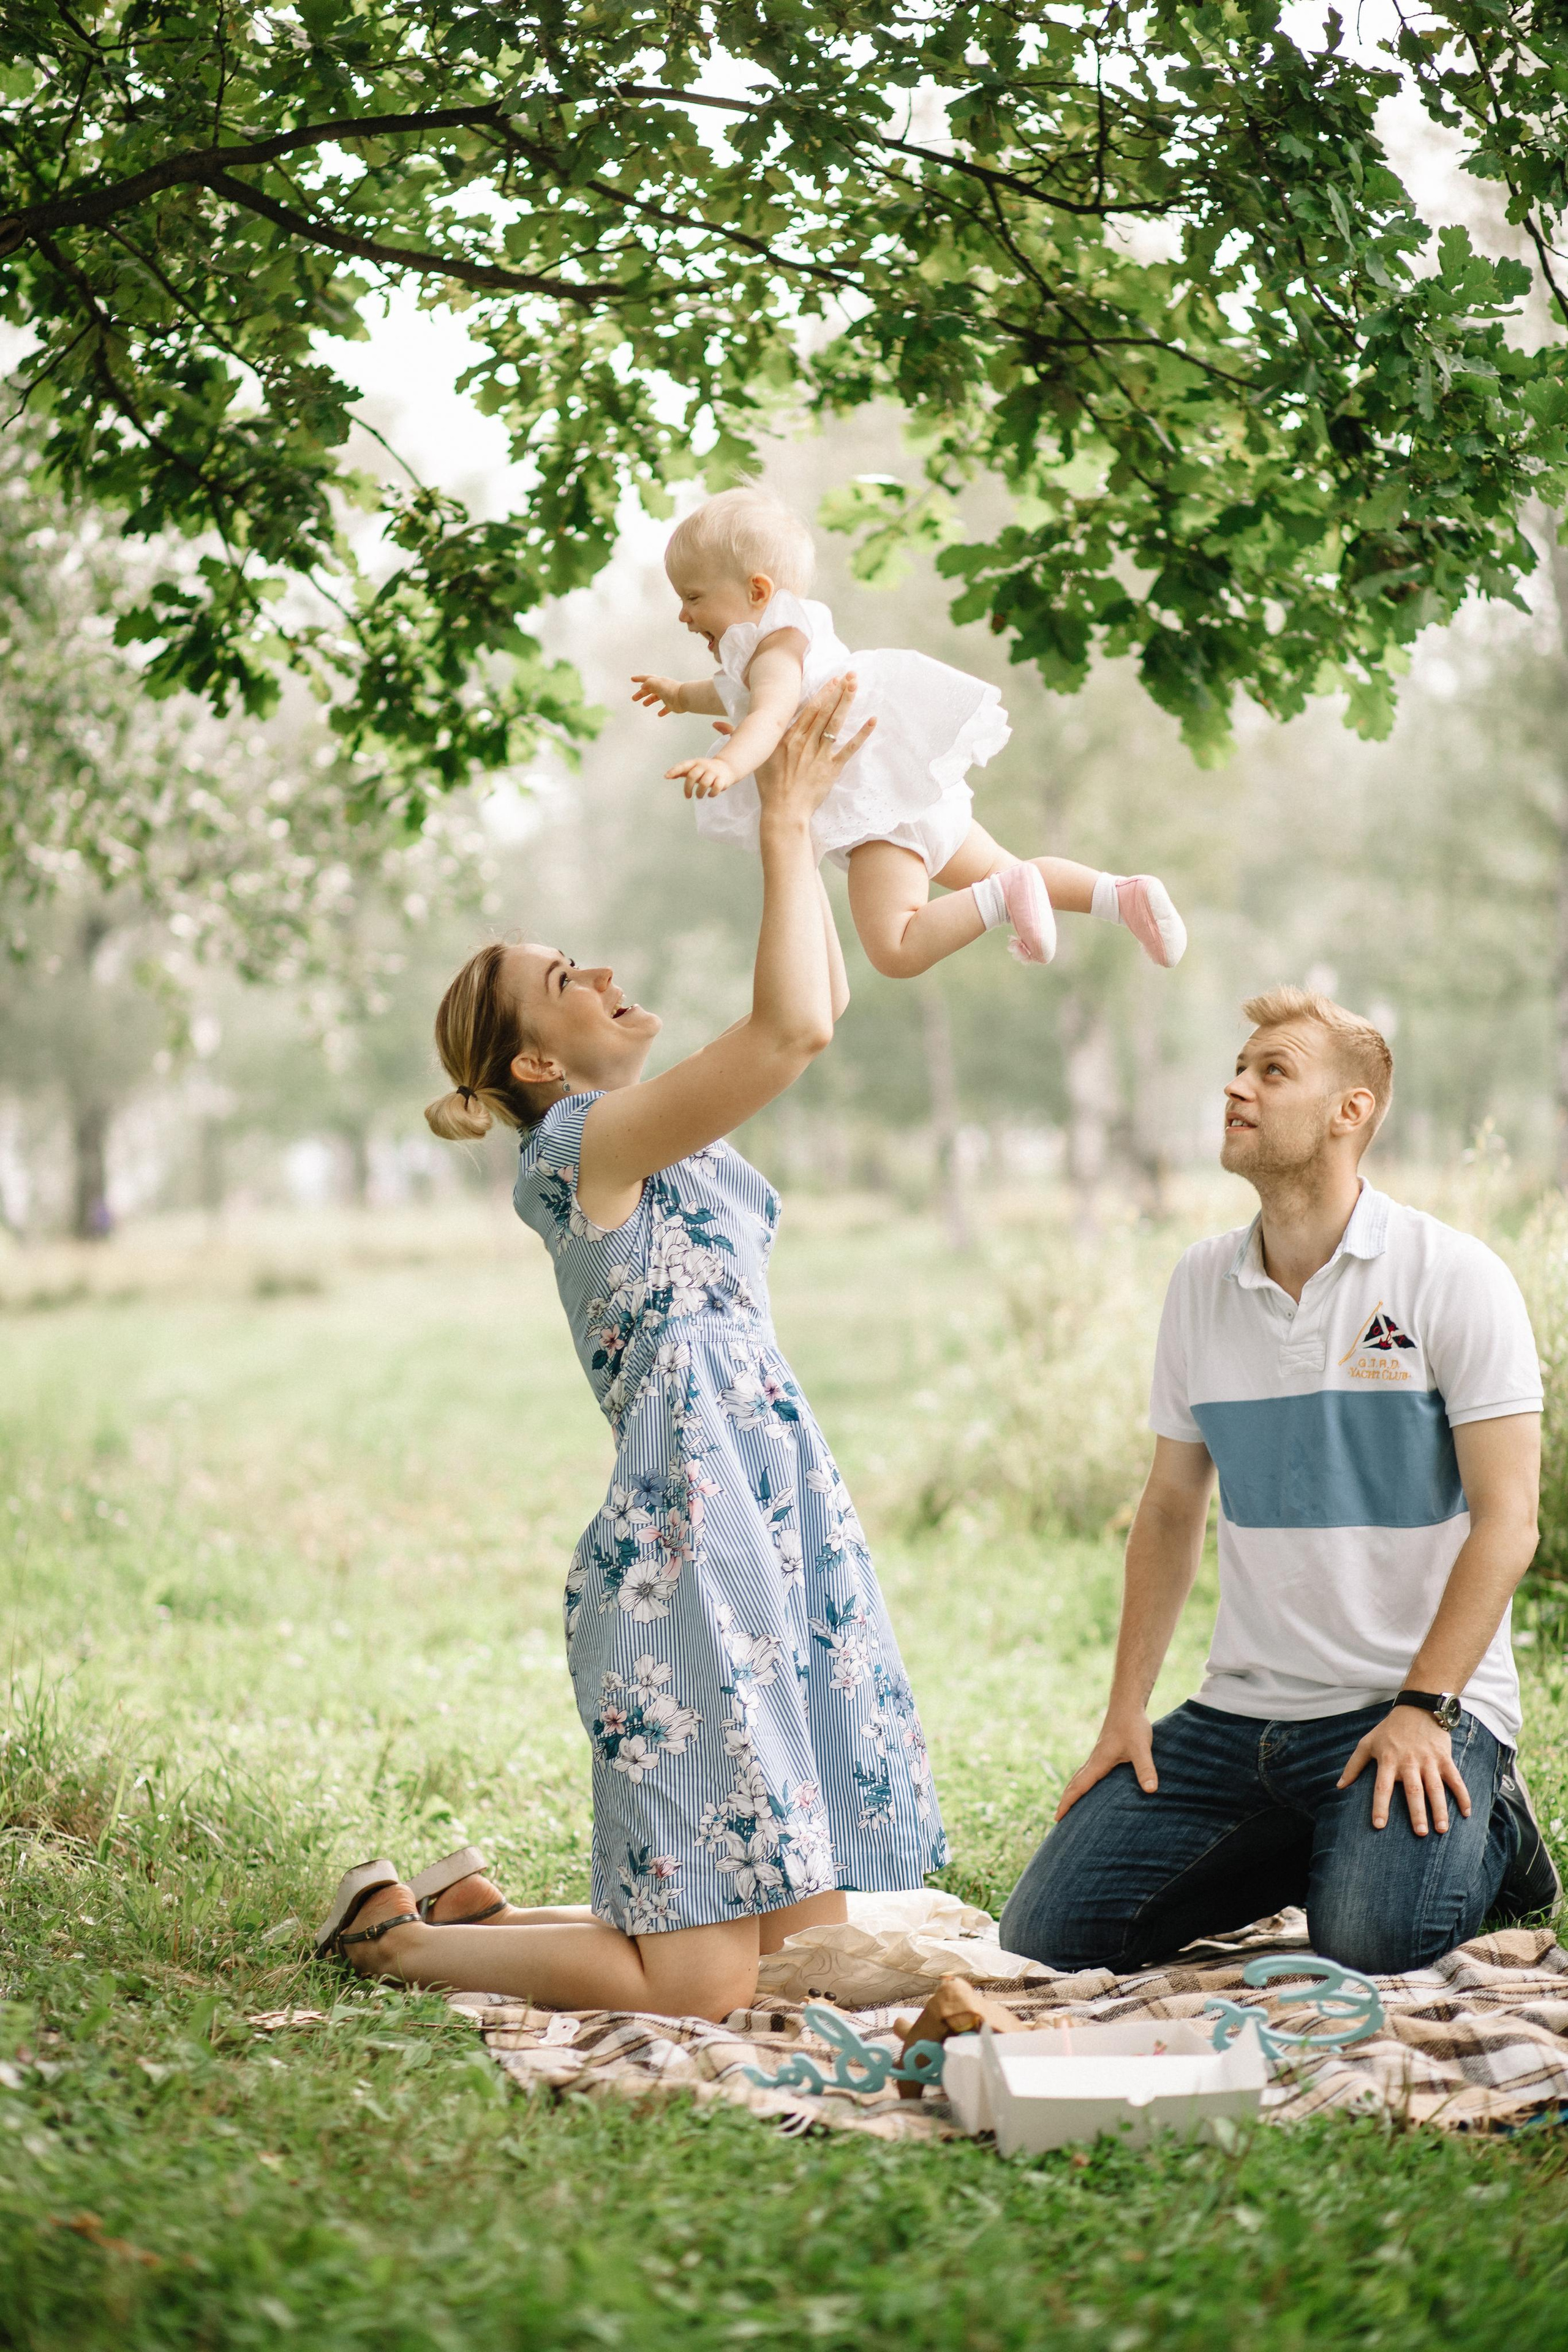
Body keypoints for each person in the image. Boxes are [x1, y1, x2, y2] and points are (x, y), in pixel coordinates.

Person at [311, 678, 946, 2022]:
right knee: (711, 1990)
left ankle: (473, 1909)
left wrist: (823, 824)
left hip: (764, 1531)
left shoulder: (656, 1137)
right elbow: (791, 1031)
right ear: (536, 1065)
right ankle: (396, 1945)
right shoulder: (580, 1150)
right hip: (684, 1567)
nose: (600, 975)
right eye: (563, 982)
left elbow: (816, 992)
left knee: (796, 1950)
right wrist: (778, 827)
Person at [1000, 985, 1561, 1978]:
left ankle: (1496, 1835)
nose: (1235, 1087)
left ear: (1351, 1112)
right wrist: (1126, 1711)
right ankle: (1333, 1844)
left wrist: (1425, 1708)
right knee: (1048, 1938)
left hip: (1415, 1703)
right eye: (1237, 1067)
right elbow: (1172, 1507)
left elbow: (1509, 1520)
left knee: (1373, 1948)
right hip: (1241, 1720)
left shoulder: (1452, 1275)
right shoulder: (1198, 1284)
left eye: (1272, 1071)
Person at [630, 484, 1186, 978]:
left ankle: (999, 900)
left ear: (757, 590)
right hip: (918, 795)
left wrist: (728, 764)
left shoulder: (774, 654)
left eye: (694, 597)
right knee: (1013, 868)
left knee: (895, 950)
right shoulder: (777, 651)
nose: (684, 615)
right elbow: (731, 693)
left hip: (877, 822)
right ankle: (1120, 895)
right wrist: (680, 696)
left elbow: (768, 715)